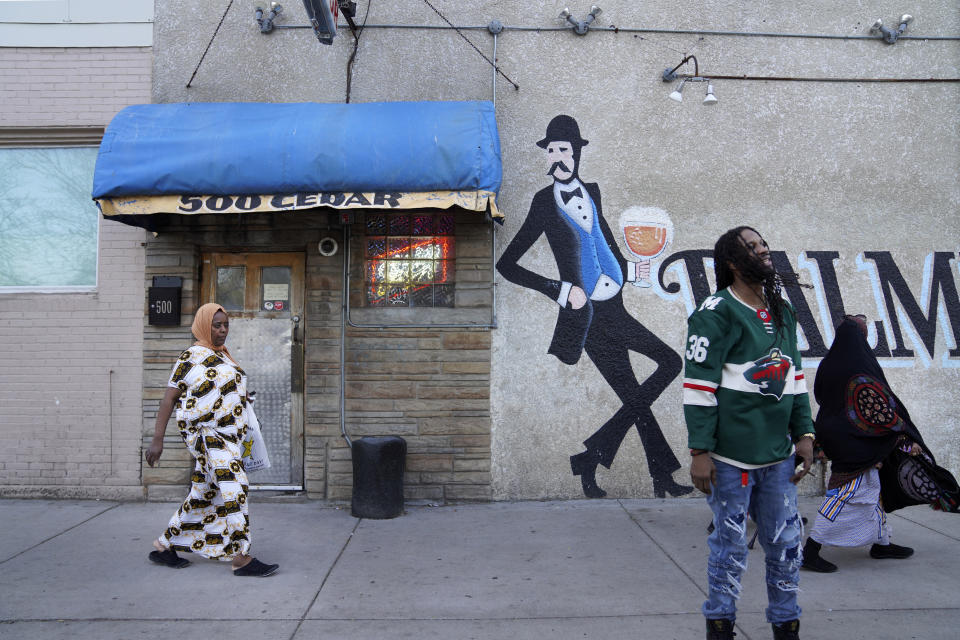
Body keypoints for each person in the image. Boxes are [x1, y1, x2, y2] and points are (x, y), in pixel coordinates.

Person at [496, 114, 690, 499]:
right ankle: (648, 473)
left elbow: (601, 239)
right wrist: (558, 288)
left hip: (614, 306)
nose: (557, 158)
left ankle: (599, 459)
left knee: (641, 391)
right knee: (665, 367)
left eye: (563, 150)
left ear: (577, 153)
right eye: (550, 151)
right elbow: (507, 264)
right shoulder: (542, 204)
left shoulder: (593, 192)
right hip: (586, 319)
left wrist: (629, 270)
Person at [683, 226, 814, 640]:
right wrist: (700, 451)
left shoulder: (782, 310)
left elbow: (794, 377)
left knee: (787, 545)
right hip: (729, 459)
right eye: (752, 247)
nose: (763, 250)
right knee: (730, 549)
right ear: (734, 263)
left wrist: (805, 434)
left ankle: (785, 624)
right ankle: (720, 624)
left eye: (764, 244)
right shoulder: (715, 312)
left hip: (778, 458)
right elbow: (698, 386)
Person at [802, 313, 959, 573]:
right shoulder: (861, 366)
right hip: (856, 444)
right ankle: (811, 549)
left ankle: (881, 542)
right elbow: (878, 410)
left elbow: (823, 396)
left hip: (838, 435)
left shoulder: (829, 363)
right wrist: (903, 435)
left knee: (873, 493)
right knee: (845, 494)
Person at [145, 303, 279, 577]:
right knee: (236, 488)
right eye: (216, 325)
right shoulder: (190, 357)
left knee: (203, 493)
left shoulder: (224, 357)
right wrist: (156, 439)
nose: (222, 330)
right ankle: (241, 558)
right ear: (203, 326)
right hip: (208, 435)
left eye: (225, 325)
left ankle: (164, 546)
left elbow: (224, 391)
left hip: (230, 436)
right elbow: (169, 398)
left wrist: (240, 401)